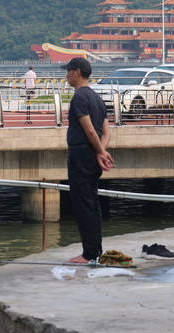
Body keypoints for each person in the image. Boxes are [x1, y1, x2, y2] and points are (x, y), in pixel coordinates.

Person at [61, 57, 115, 264]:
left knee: (83, 204)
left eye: (68, 71)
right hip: (92, 155)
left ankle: (89, 254)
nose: (66, 75)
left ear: (77, 72)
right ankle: (94, 250)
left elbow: (90, 130)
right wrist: (101, 152)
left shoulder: (79, 98)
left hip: (81, 154)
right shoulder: (97, 98)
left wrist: (99, 151)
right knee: (92, 203)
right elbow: (106, 131)